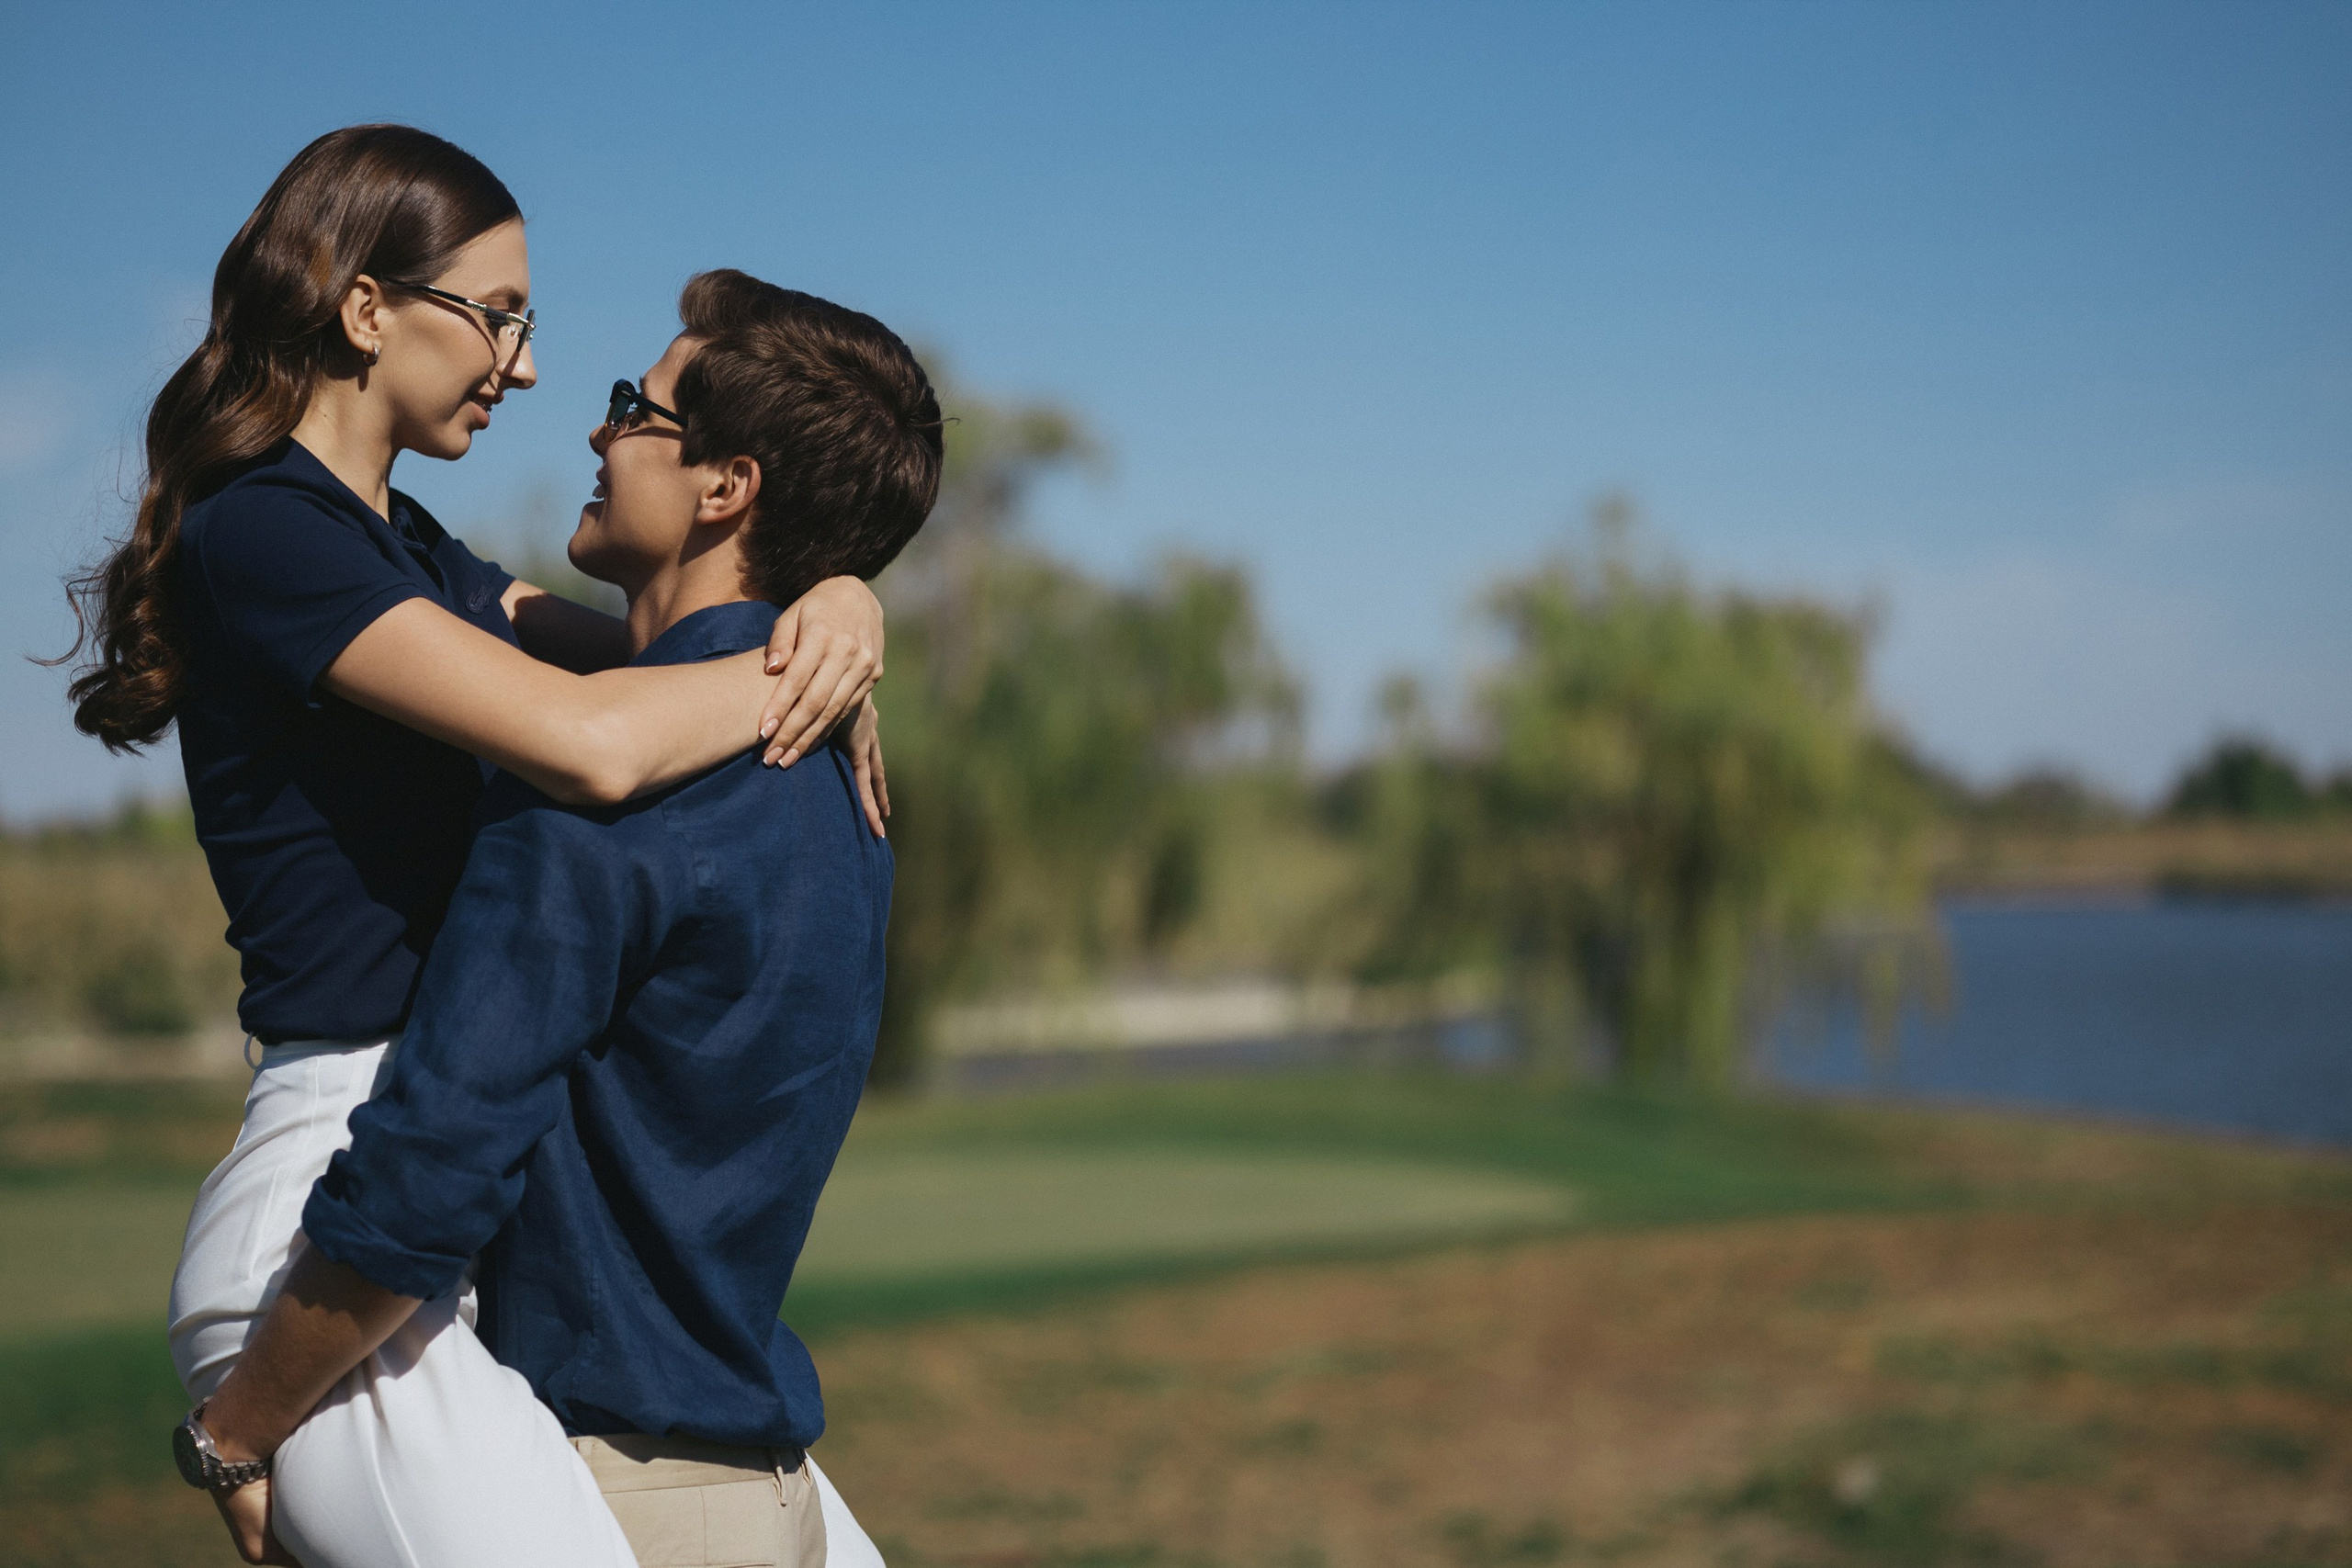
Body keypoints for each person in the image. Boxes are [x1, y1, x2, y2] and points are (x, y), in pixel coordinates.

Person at [58, 127, 891, 1561]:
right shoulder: (264, 537)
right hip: (329, 1203)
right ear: (366, 308)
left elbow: (641, 651)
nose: (525, 366)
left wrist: (841, 610)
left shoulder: (412, 549)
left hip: (437, 1197)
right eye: (497, 317)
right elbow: (597, 739)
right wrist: (816, 665)